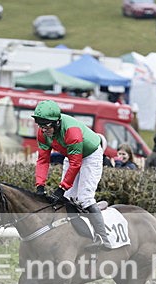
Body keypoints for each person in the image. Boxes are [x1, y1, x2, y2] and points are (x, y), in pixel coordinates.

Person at [31, 100, 111, 250]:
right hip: (71, 155)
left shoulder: (71, 131)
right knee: (67, 199)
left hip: (90, 155)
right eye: (40, 125)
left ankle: (103, 238)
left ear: (56, 123)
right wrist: (40, 185)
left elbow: (76, 164)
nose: (43, 129)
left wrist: (61, 188)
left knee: (84, 198)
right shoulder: (42, 133)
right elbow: (43, 160)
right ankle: (71, 236)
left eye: (46, 125)